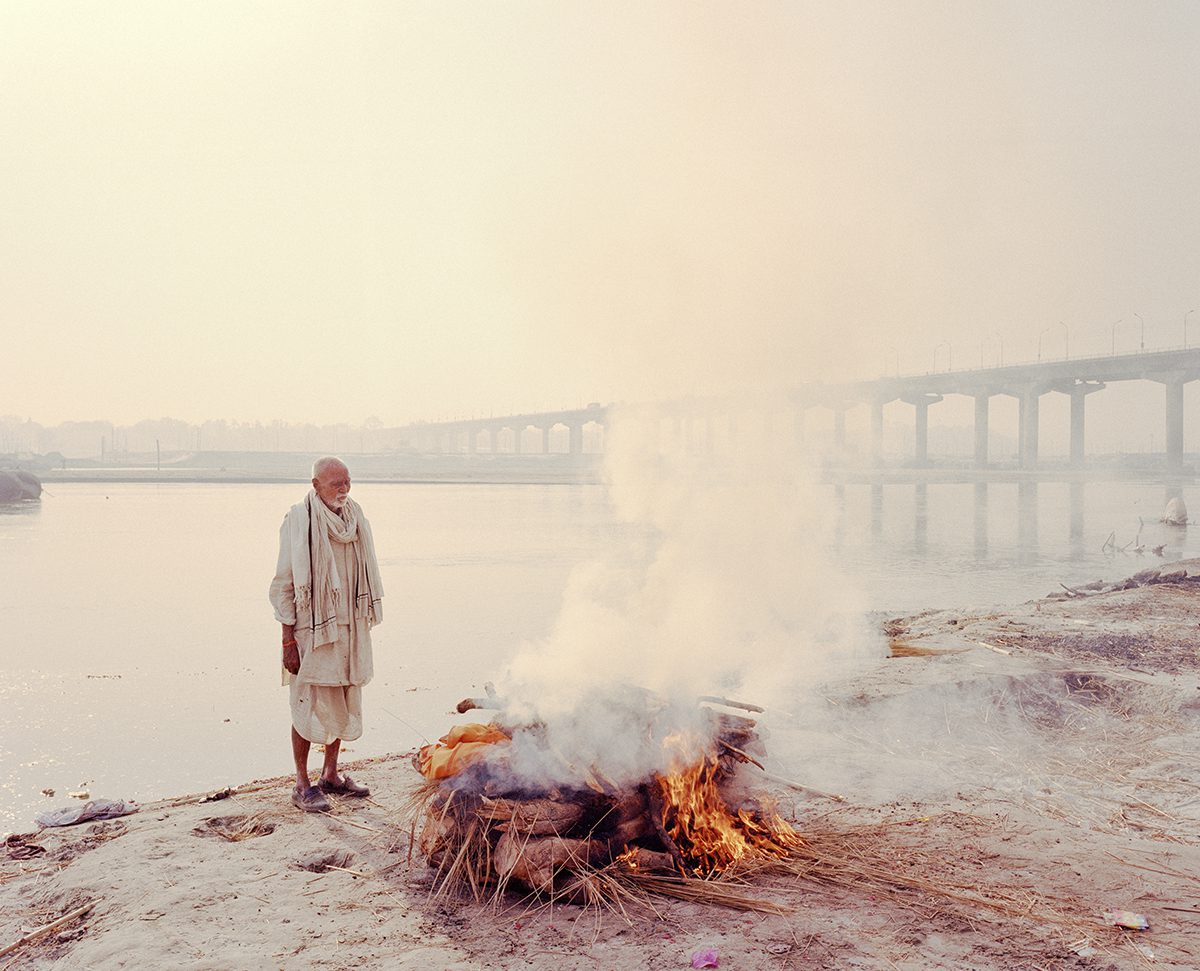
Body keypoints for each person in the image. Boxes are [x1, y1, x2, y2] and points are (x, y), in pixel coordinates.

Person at [269, 456, 384, 811]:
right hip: (312, 633)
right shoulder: (298, 521)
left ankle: (331, 775)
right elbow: (284, 585)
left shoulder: (355, 517)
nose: (344, 489)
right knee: (308, 704)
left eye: (347, 482)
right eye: (336, 484)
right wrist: (288, 641)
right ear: (316, 484)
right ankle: (302, 784)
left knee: (345, 700)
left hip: (350, 629)